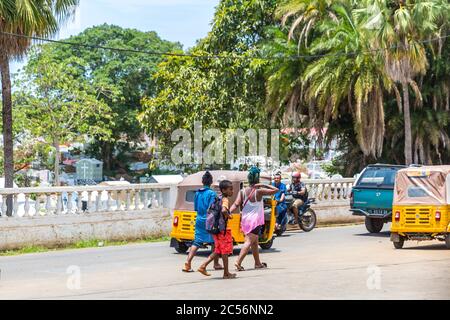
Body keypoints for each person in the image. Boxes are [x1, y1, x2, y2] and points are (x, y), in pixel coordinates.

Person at [229, 166, 279, 271]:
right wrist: (262, 185)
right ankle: (238, 262)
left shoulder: (242, 191)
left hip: (245, 219)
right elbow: (276, 190)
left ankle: (258, 263)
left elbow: (236, 204)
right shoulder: (259, 191)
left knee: (254, 241)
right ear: (257, 179)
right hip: (255, 220)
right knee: (249, 241)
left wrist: (228, 212)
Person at [182, 171, 222, 272]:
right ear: (211, 182)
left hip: (199, 219)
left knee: (196, 242)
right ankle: (216, 264)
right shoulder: (212, 194)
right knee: (214, 242)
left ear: (202, 181)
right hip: (209, 220)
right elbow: (212, 208)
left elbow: (195, 208)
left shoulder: (197, 193)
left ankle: (188, 263)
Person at [197, 180, 236, 279]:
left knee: (218, 250)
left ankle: (203, 266)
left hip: (215, 228)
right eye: (230, 189)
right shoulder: (225, 199)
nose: (232, 191)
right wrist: (229, 215)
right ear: (224, 190)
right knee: (225, 251)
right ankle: (226, 273)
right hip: (221, 229)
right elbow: (223, 210)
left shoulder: (217, 198)